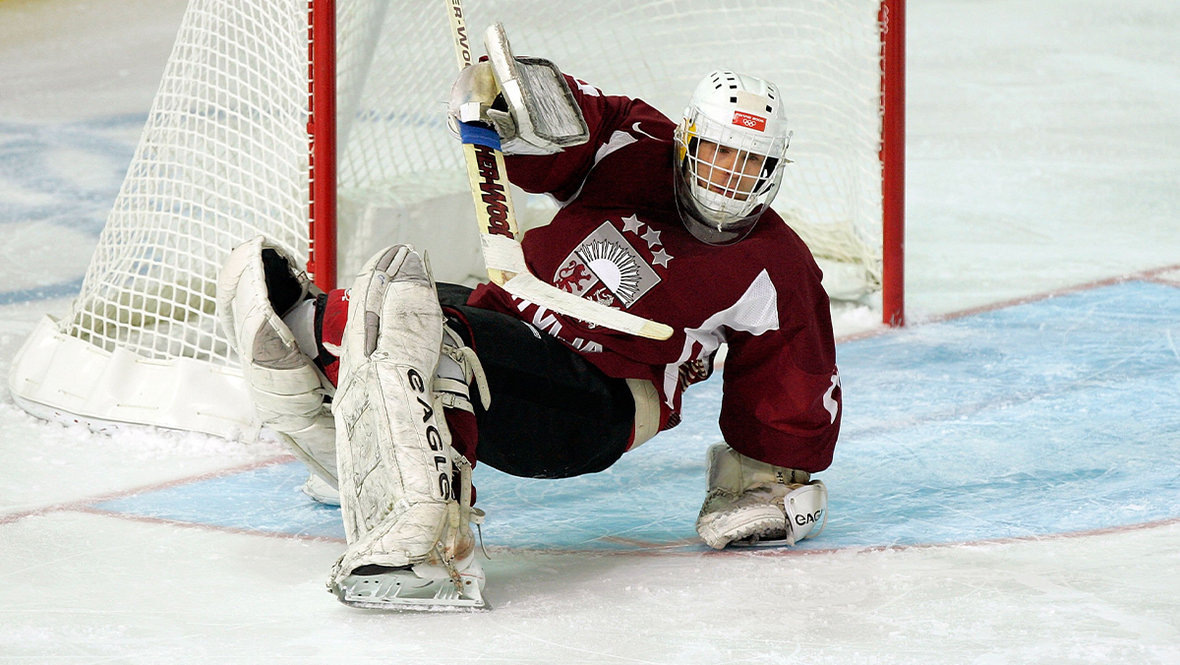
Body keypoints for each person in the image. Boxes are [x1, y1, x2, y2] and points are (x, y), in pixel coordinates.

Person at [216, 61, 841, 610]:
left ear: (775, 168)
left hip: (598, 399)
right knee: (314, 314)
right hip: (511, 325)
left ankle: (431, 550)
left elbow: (793, 378)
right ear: (687, 140)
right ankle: (360, 463)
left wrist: (769, 485)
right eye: (720, 152)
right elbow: (567, 118)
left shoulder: (777, 265)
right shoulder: (636, 141)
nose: (732, 175)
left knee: (423, 334)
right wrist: (505, 101)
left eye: (752, 161)